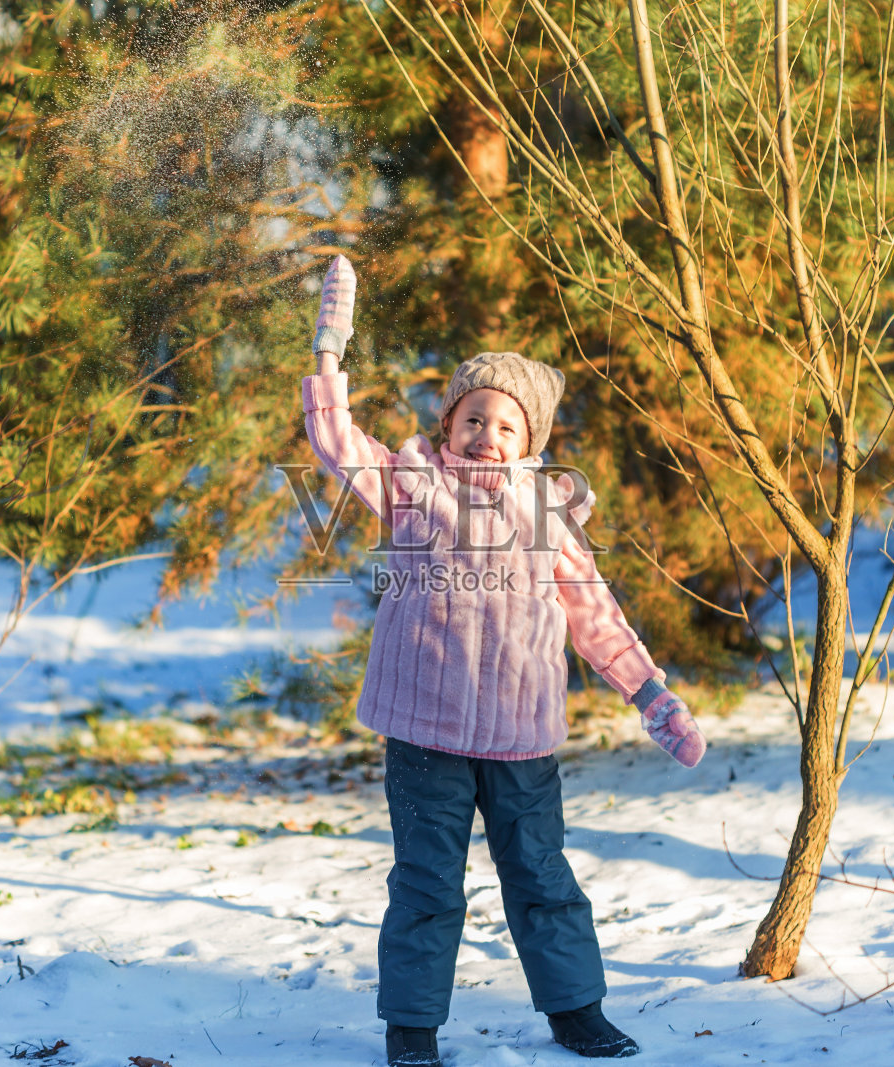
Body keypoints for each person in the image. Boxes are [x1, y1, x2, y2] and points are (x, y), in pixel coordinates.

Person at [302, 255, 706, 1067]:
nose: (487, 434)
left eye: (506, 424)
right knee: (425, 882)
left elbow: (594, 613)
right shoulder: (413, 485)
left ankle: (576, 1010)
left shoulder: (551, 513)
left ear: (532, 441)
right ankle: (411, 1029)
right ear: (447, 426)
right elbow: (335, 441)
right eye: (472, 419)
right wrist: (328, 352)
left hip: (522, 737)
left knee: (543, 876)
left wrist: (649, 690)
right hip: (426, 733)